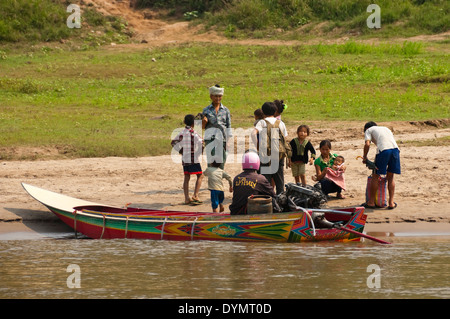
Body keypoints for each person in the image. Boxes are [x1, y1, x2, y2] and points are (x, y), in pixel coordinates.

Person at [252, 101, 290, 195]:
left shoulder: (261, 122)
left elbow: (253, 134)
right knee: (279, 181)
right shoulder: (280, 123)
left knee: (266, 181)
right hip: (279, 155)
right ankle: (281, 202)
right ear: (275, 112)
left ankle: (268, 202)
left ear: (263, 112)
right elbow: (284, 139)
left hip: (265, 155)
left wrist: (257, 147)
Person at [362, 121, 401, 209]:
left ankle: (371, 202)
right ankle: (391, 203)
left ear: (366, 129)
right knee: (390, 176)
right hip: (395, 150)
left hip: (384, 151)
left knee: (375, 176)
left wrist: (364, 157)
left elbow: (367, 144)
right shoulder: (386, 129)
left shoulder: (369, 130)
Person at [171, 114, 204, 205]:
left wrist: (180, 150)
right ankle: (195, 195)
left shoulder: (181, 133)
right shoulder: (193, 133)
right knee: (200, 176)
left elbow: (173, 142)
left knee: (187, 177)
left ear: (185, 122)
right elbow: (202, 142)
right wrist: (199, 152)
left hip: (185, 158)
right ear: (194, 123)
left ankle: (186, 198)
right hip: (193, 158)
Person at [202, 84, 232, 170]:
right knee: (211, 162)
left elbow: (228, 126)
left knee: (221, 162)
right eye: (216, 96)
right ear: (211, 96)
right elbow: (202, 127)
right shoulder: (206, 110)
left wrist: (228, 142)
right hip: (210, 139)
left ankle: (219, 181)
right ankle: (212, 181)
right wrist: (204, 122)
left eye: (219, 96)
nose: (218, 98)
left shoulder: (225, 110)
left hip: (222, 139)